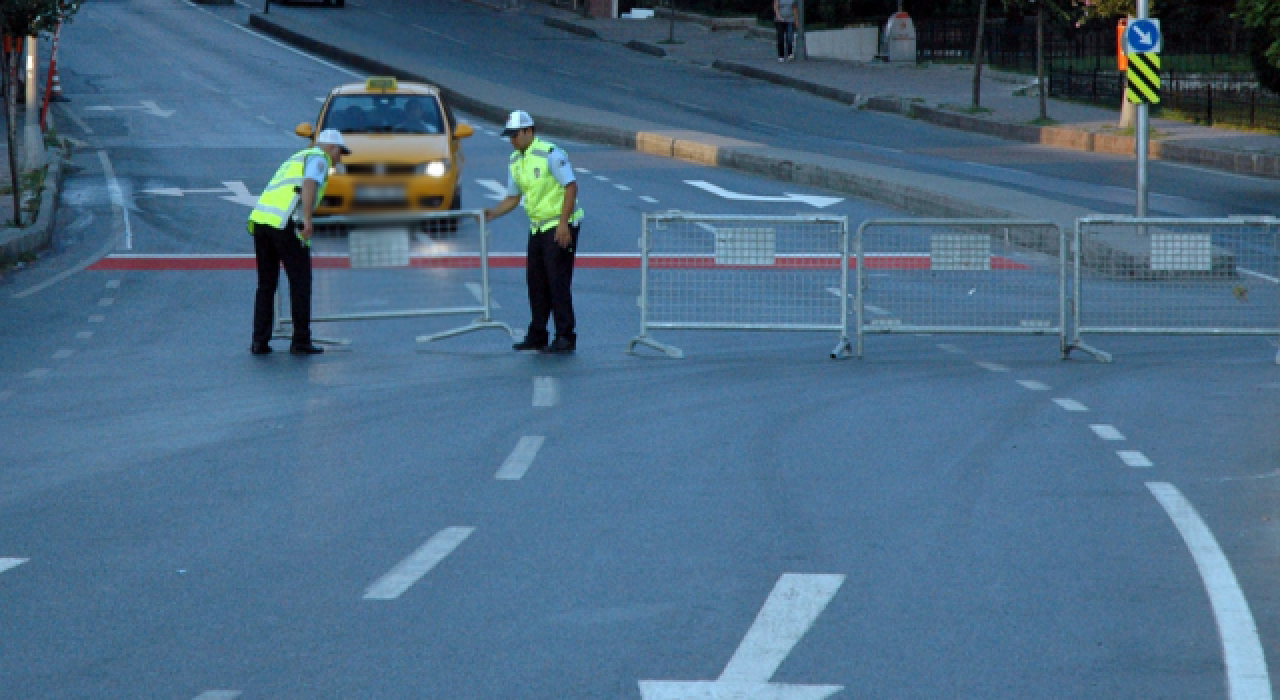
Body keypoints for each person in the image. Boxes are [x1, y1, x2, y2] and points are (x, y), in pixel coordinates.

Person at [484, 110, 584, 355]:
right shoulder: (516, 160)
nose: (512, 140)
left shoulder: (549, 153)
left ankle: (565, 335)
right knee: (536, 282)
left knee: (557, 281)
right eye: (509, 136)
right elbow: (513, 197)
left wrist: (563, 224)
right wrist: (492, 214)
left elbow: (570, 187)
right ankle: (538, 334)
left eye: (515, 135)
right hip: (538, 226)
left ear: (529, 131)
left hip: (559, 224)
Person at [246, 129, 350, 356]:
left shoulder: (298, 157)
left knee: (266, 285)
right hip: (288, 224)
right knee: (300, 282)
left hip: (262, 221)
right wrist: (308, 221)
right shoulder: (319, 159)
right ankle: (301, 340)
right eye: (340, 152)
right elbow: (309, 184)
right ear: (332, 148)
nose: (340, 158)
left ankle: (259, 341)